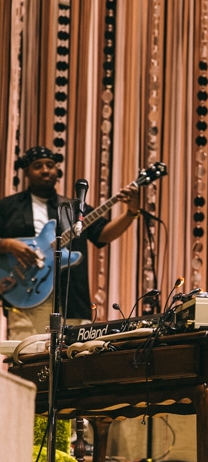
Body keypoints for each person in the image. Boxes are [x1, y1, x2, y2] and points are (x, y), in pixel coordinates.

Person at [0, 145, 141, 342]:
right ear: (26, 172)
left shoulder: (73, 208)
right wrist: (8, 245)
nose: (46, 170)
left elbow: (104, 235)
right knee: (27, 355)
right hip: (24, 296)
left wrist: (131, 213)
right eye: (38, 166)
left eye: (50, 165)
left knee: (73, 355)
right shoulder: (8, 206)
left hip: (71, 298)